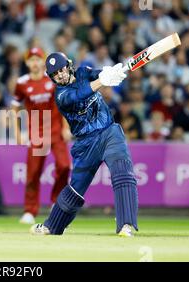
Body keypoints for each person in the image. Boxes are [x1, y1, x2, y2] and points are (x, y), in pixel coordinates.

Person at [30, 52, 138, 237]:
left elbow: (96, 73)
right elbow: (80, 95)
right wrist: (102, 81)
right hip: (85, 144)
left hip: (109, 132)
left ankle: (125, 225)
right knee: (75, 190)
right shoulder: (61, 96)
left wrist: (111, 72)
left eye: (62, 69)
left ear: (69, 66)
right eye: (55, 74)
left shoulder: (81, 72)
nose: (60, 75)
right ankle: (52, 226)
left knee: (123, 173)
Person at [12, 47, 71, 224]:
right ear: (27, 63)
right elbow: (14, 108)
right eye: (32, 60)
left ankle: (56, 202)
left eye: (38, 59)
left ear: (43, 61)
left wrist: (65, 128)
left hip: (55, 132)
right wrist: (17, 132)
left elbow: (63, 103)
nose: (35, 63)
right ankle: (30, 211)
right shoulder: (22, 83)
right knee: (33, 172)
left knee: (65, 166)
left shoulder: (52, 78)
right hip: (36, 135)